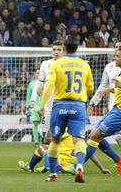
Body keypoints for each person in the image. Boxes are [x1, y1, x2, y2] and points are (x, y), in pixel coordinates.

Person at [38, 36, 94, 182]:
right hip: (78, 106)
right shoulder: (84, 65)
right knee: (79, 141)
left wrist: (42, 105)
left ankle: (52, 175)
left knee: (54, 140)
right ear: (77, 48)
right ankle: (79, 166)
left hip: (60, 105)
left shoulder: (56, 64)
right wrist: (83, 99)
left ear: (64, 48)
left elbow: (49, 85)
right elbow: (90, 88)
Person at [85, 48, 121, 177]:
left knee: (94, 136)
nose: (115, 58)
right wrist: (109, 90)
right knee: (94, 136)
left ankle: (76, 166)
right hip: (116, 110)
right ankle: (119, 160)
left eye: (117, 56)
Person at [26, 69, 41, 146]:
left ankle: (44, 141)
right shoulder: (31, 84)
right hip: (34, 108)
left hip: (44, 107)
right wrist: (27, 107)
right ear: (34, 74)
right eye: (37, 73)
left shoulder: (45, 83)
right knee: (35, 124)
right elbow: (28, 96)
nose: (38, 74)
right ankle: (36, 142)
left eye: (40, 73)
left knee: (45, 125)